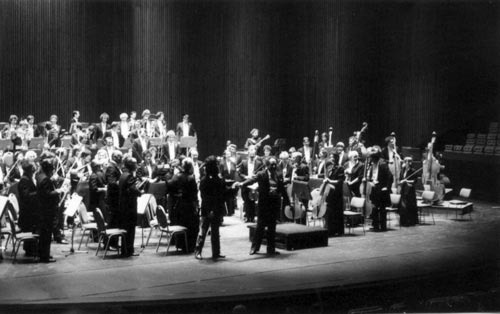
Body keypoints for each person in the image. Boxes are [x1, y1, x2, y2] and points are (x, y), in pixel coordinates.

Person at [237, 157, 289, 256]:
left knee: (272, 227)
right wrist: (242, 184)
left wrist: (287, 202)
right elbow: (252, 180)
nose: (273, 166)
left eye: (275, 164)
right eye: (271, 164)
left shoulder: (278, 174)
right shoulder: (261, 174)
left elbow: (282, 188)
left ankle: (271, 249)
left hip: (274, 204)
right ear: (267, 165)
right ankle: (255, 248)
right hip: (264, 204)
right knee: (260, 227)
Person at [194, 156, 226, 260]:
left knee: (215, 232)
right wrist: (210, 210)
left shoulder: (216, 179)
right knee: (203, 231)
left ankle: (216, 252)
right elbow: (205, 197)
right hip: (208, 209)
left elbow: (220, 195)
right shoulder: (205, 180)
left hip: (215, 209)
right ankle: (198, 251)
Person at [37, 157, 66, 263]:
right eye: (52, 169)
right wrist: (58, 191)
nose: (53, 171)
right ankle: (44, 256)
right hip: (47, 211)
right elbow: (47, 194)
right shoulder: (45, 179)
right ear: (48, 169)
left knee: (44, 235)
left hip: (43, 210)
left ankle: (43, 254)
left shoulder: (40, 176)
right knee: (46, 235)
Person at [167, 157, 199, 252]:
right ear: (190, 167)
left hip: (178, 205)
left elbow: (169, 186)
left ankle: (180, 244)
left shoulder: (176, 176)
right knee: (191, 225)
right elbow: (194, 194)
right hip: (189, 205)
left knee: (180, 223)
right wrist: (196, 206)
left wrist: (177, 194)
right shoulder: (191, 178)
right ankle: (189, 246)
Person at [118, 157, 143, 257]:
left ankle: (125, 250)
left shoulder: (123, 175)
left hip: (123, 206)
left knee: (126, 229)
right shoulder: (129, 176)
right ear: (131, 165)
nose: (137, 165)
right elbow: (133, 190)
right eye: (135, 164)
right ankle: (129, 250)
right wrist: (140, 192)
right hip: (129, 207)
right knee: (130, 229)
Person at [365, 146, 392, 231]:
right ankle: (376, 226)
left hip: (382, 189)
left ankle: (383, 227)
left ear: (375, 158)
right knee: (375, 207)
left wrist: (386, 187)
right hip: (374, 188)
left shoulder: (383, 164)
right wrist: (369, 180)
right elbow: (371, 176)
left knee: (382, 208)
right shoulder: (372, 164)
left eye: (372, 158)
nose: (370, 160)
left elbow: (390, 177)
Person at [17, 160, 40, 256]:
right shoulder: (24, 180)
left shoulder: (27, 178)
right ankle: (30, 250)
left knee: (31, 229)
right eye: (32, 168)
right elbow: (26, 196)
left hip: (29, 211)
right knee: (29, 229)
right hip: (27, 213)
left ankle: (30, 249)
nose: (34, 170)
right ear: (29, 170)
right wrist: (38, 192)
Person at [237, 145, 263, 223]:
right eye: (251, 151)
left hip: (254, 184)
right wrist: (246, 177)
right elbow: (240, 173)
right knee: (247, 200)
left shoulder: (259, 163)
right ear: (248, 152)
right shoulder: (244, 162)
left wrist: (256, 176)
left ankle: (252, 217)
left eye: (254, 151)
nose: (253, 152)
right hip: (246, 184)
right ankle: (248, 216)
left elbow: (261, 173)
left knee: (253, 201)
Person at [324, 154, 346, 236]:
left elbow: (340, 182)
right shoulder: (331, 168)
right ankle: (331, 230)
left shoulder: (340, 168)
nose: (331, 159)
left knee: (336, 212)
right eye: (330, 158)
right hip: (331, 193)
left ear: (336, 159)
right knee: (331, 212)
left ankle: (337, 231)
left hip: (337, 194)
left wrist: (329, 181)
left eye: (333, 158)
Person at [398, 157, 418, 226]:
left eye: (408, 162)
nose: (406, 163)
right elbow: (400, 179)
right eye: (405, 161)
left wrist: (406, 181)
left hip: (410, 191)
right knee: (403, 206)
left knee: (409, 205)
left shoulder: (413, 170)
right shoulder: (402, 170)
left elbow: (415, 181)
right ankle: (403, 221)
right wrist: (401, 181)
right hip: (403, 189)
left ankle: (410, 221)